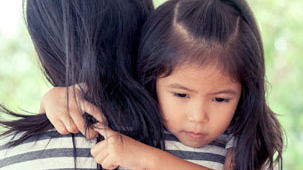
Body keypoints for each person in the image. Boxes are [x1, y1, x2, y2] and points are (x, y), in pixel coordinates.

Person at [39, 0, 284, 170]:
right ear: (151, 79)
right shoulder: (136, 106)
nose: (199, 116)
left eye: (220, 99)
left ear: (245, 92)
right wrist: (52, 98)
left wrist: (148, 159)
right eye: (181, 94)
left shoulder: (241, 136)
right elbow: (77, 103)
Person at [0, 0, 229, 170]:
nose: (198, 116)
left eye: (220, 98)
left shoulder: (10, 155)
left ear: (45, 44)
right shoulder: (224, 145)